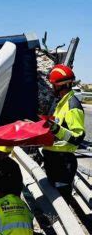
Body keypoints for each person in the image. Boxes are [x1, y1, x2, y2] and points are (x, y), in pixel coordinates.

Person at [43, 64, 85, 202]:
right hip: (54, 159)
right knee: (54, 199)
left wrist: (55, 129)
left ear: (61, 86)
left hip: (63, 163)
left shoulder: (72, 106)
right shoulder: (62, 103)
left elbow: (77, 137)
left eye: (53, 85)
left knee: (62, 201)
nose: (52, 88)